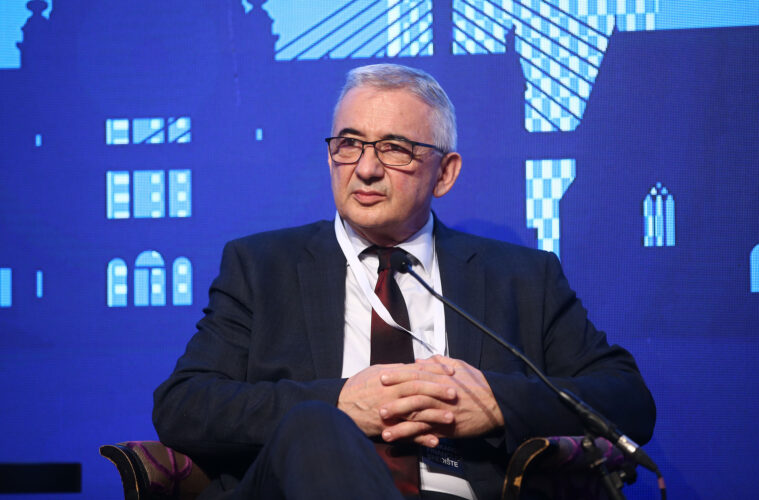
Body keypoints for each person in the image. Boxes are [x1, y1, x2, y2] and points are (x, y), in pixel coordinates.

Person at [153, 63, 655, 499]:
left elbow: (628, 400)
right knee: (314, 422)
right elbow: (183, 406)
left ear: (445, 174)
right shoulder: (262, 267)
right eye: (349, 144)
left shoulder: (522, 277)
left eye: (395, 148)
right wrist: (339, 404)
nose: (366, 168)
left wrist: (495, 404)